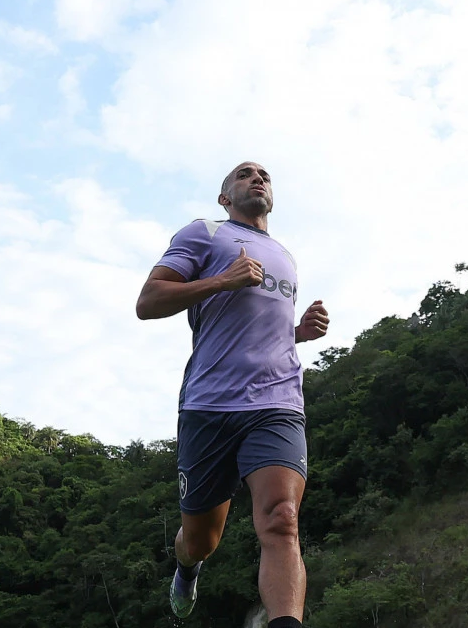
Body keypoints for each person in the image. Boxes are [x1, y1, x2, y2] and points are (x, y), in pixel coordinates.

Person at [135, 161, 330, 628]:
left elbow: (260, 329)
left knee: (282, 518)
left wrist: (297, 332)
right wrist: (223, 279)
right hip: (209, 405)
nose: (257, 178)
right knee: (201, 540)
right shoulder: (205, 233)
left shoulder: (285, 256)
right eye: (244, 174)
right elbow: (148, 302)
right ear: (225, 197)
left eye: (264, 175)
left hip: (277, 403)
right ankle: (186, 568)